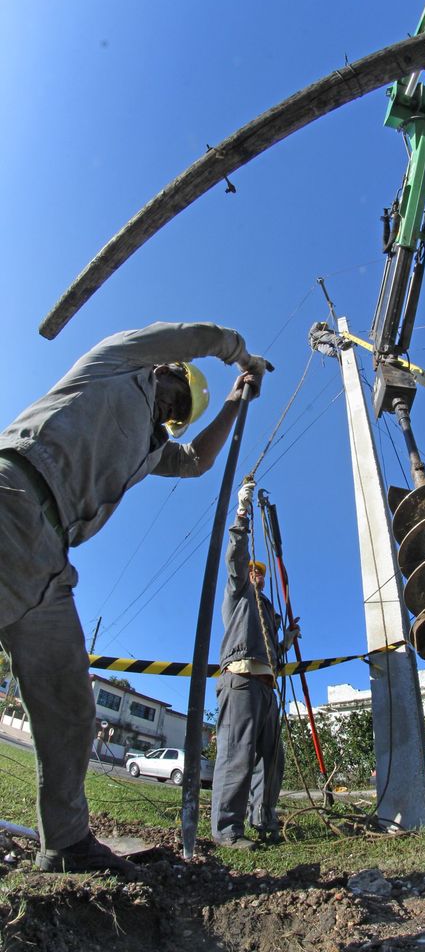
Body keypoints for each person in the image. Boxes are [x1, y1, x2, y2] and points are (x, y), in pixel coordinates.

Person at [0, 320, 269, 874]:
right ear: (163, 371)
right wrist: (239, 354)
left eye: (177, 413)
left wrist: (237, 402)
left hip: (49, 563)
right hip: (13, 494)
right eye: (173, 397)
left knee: (70, 706)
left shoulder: (151, 451)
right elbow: (191, 334)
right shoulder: (114, 364)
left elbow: (195, 461)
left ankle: (68, 843)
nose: (169, 413)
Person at [210, 480, 298, 849]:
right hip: (241, 681)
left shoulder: (268, 611)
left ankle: (263, 822)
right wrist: (241, 515)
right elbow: (235, 557)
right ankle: (227, 830)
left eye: (261, 572)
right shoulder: (239, 594)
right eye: (254, 571)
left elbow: (270, 651)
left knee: (270, 761)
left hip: (267, 687)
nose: (257, 575)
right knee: (237, 755)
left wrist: (285, 643)